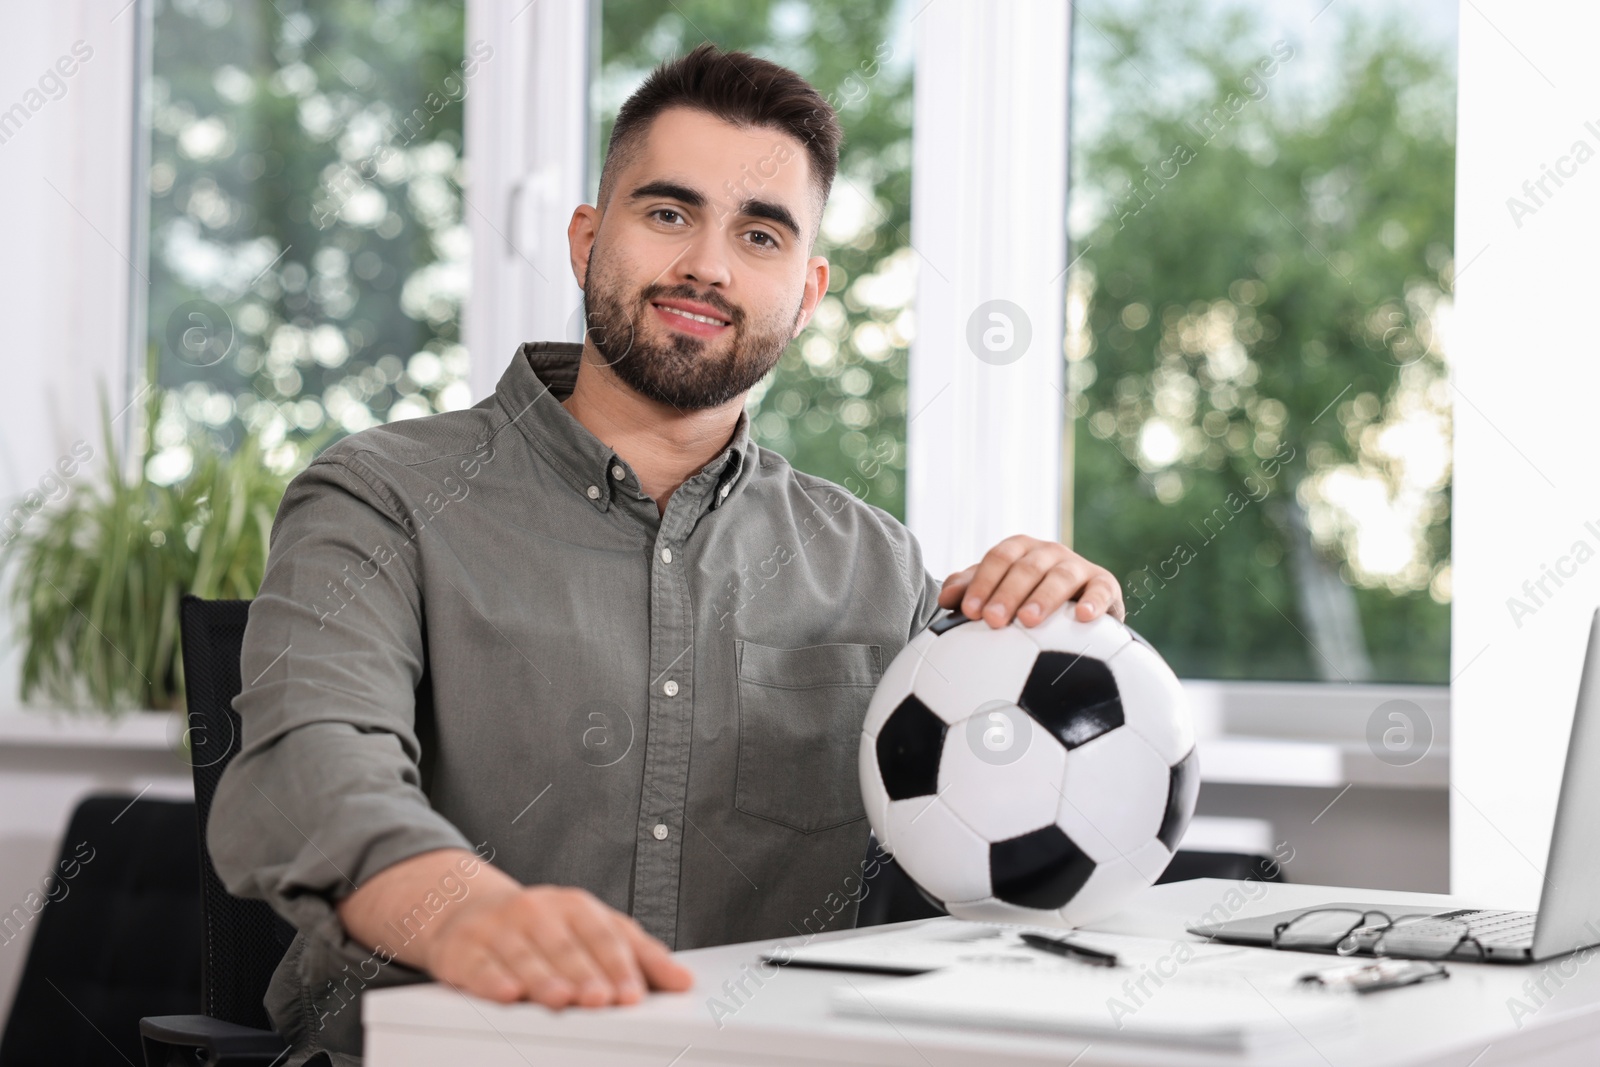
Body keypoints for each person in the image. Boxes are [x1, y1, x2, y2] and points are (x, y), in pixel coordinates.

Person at [208, 43, 1124, 1066]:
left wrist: (1062, 646)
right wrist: (470, 915)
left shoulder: (874, 563)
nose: (709, 265)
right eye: (667, 213)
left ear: (807, 290)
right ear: (588, 237)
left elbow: (992, 847)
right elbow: (310, 766)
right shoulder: (381, 494)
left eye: (760, 233)